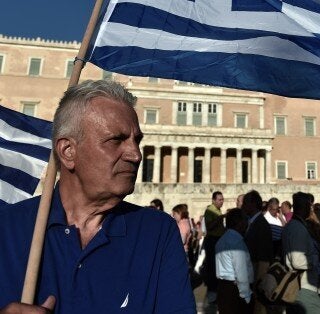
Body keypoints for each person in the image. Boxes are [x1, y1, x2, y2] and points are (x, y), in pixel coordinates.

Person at [0, 80, 195, 312]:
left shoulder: (158, 233)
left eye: (137, 140)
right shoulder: (6, 228)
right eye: (116, 140)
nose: (136, 155)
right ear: (68, 151)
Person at [282, 192, 320, 314]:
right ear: (305, 206)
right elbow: (298, 261)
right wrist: (319, 257)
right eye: (310, 206)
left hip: (301, 284)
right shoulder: (297, 228)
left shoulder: (294, 226)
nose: (311, 209)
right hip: (303, 285)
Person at [215, 208, 254, 314]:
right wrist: (247, 297)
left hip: (223, 288)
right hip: (234, 291)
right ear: (240, 223)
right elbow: (241, 273)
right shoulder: (236, 242)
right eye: (245, 220)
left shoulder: (221, 240)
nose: (247, 223)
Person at [242, 190, 273, 314]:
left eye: (245, 203)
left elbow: (264, 258)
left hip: (257, 278)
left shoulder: (261, 224)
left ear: (253, 204)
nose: (243, 206)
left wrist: (258, 284)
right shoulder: (253, 222)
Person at [202, 191, 226, 313]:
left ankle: (215, 291)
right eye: (219, 200)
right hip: (212, 240)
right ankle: (212, 292)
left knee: (217, 266)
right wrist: (220, 218)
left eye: (222, 200)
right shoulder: (210, 211)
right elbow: (210, 226)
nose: (222, 202)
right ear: (213, 200)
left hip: (218, 240)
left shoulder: (217, 210)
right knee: (212, 266)